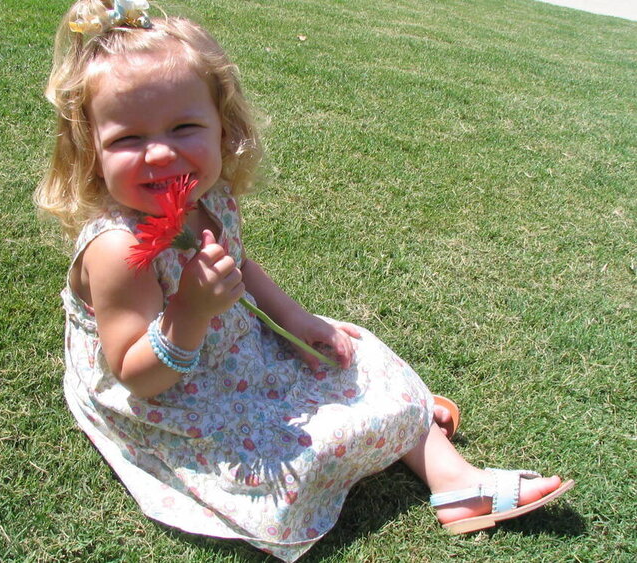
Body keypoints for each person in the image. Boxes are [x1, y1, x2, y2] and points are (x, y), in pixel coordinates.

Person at [35, 1, 573, 560]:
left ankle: (451, 477)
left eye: (184, 127)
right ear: (91, 151)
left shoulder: (208, 198)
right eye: (127, 139)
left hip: (231, 350)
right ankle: (400, 430)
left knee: (353, 351)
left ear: (224, 130)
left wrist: (296, 318)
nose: (162, 152)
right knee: (291, 464)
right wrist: (190, 311)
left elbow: (239, 266)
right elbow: (135, 377)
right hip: (170, 394)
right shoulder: (119, 249)